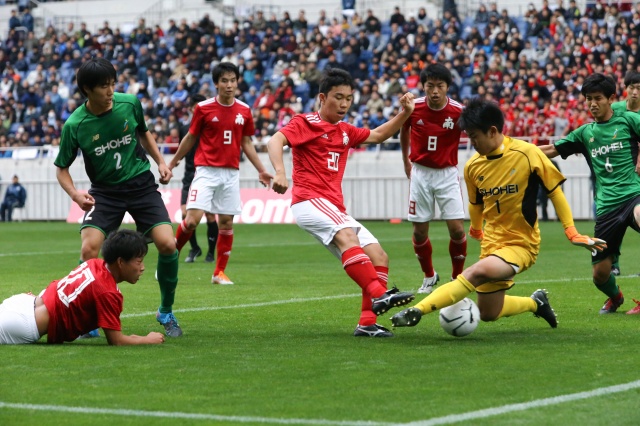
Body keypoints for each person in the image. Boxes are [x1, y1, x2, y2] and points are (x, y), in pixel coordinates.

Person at [391, 98, 606, 331]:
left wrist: (572, 232)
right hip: (492, 244)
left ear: (492, 131)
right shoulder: (473, 166)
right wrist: (475, 227)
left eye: (474, 136)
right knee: (489, 312)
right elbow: (475, 203)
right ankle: (536, 303)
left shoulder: (528, 153)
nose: (471, 143)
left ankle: (418, 310)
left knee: (476, 272)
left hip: (521, 244)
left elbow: (555, 193)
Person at [267, 68, 416, 338]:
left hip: (333, 207)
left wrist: (405, 113)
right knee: (348, 237)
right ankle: (380, 295)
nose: (345, 104)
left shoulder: (345, 131)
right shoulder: (307, 122)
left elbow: (379, 135)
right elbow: (275, 140)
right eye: (338, 97)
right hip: (309, 201)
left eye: (349, 98)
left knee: (379, 256)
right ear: (322, 98)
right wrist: (280, 171)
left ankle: (367, 322)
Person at [54, 58, 182, 338]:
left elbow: (144, 133)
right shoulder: (75, 124)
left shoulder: (129, 103)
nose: (111, 91)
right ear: (87, 90)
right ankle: (87, 315)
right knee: (89, 249)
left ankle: (166, 310)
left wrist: (161, 161)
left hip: (141, 187)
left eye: (113, 84)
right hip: (105, 193)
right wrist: (76, 194)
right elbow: (61, 168)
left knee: (168, 244)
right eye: (103, 86)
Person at [539, 73, 640, 315]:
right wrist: (516, 151)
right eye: (588, 99)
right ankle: (615, 298)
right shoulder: (585, 133)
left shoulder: (629, 120)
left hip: (633, 194)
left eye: (597, 98)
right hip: (606, 207)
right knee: (600, 274)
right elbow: (553, 148)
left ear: (611, 99)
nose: (592, 104)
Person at [169, 62, 272, 285]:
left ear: (237, 82)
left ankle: (219, 273)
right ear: (216, 83)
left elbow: (246, 142)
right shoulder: (203, 108)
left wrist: (262, 170)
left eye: (233, 80)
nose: (229, 85)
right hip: (206, 171)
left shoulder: (244, 110)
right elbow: (190, 138)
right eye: (224, 81)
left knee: (226, 222)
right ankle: (169, 259)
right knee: (192, 220)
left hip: (230, 173)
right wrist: (174, 161)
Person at [0, 229, 165, 345]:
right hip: (26, 323)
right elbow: (116, 341)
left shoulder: (95, 263)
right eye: (139, 261)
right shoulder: (107, 292)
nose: (142, 267)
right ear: (121, 262)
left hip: (26, 302)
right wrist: (147, 339)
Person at [399, 63, 467, 294]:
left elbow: (476, 130)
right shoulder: (413, 107)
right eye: (430, 86)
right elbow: (403, 129)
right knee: (419, 232)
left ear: (448, 87)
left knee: (457, 230)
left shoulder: (459, 111)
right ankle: (429, 276)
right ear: (424, 87)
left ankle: (457, 278)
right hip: (421, 173)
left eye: (440, 86)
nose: (435, 91)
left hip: (447, 174)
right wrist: (406, 160)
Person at [178, 94, 219, 264]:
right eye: (194, 107)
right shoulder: (185, 128)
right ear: (190, 109)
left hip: (208, 174)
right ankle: (195, 248)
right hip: (189, 175)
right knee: (185, 213)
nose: (197, 109)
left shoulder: (212, 127)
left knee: (210, 215)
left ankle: (210, 253)